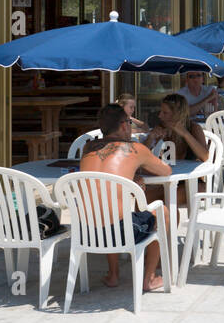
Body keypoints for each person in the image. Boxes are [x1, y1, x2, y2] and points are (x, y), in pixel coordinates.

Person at [78, 104, 171, 290]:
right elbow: (166, 170)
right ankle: (149, 278)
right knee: (164, 212)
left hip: (87, 232)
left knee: (105, 208)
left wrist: (132, 175)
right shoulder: (135, 149)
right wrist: (136, 170)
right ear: (123, 125)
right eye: (129, 122)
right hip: (119, 234)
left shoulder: (88, 147)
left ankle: (113, 275)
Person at [143, 94, 209, 171]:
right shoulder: (161, 128)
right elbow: (140, 158)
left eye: (165, 113)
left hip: (190, 179)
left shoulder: (193, 128)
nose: (159, 116)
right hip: (167, 177)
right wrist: (150, 138)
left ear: (178, 115)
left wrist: (186, 134)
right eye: (160, 111)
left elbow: (206, 157)